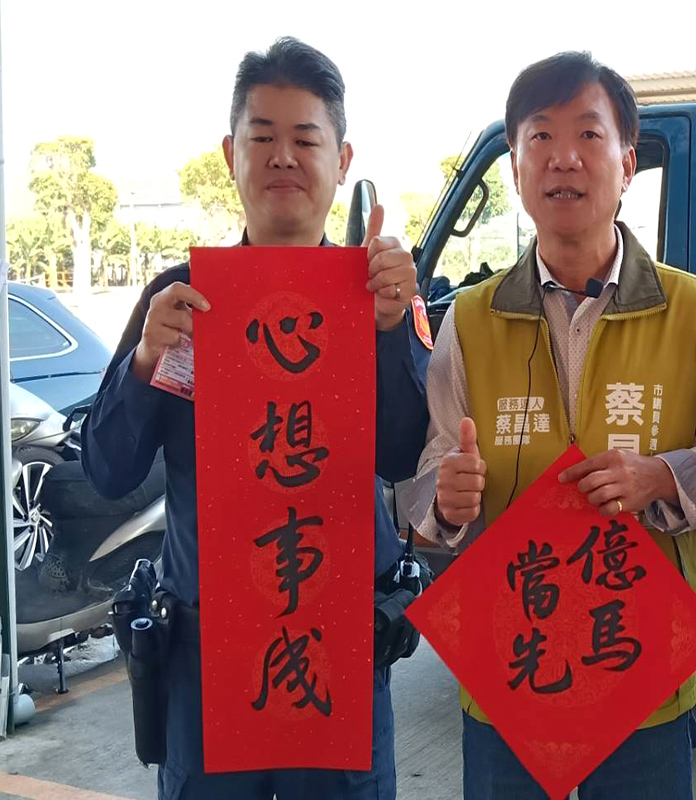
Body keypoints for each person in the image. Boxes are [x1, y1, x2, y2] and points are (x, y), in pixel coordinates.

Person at [82, 37, 430, 800]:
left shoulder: (380, 299)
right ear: (229, 153)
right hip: (204, 666)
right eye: (262, 136)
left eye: (305, 138)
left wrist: (388, 331)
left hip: (338, 654)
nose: (282, 157)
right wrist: (145, 362)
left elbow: (407, 457)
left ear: (343, 160)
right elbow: (107, 472)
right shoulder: (179, 301)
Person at [402, 51, 696, 798]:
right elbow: (431, 472)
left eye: (589, 135)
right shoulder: (469, 319)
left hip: (642, 685)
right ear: (517, 168)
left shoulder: (695, 311)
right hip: (508, 681)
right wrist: (444, 500)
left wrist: (662, 477)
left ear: (627, 164)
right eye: (541, 136)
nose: (564, 157)